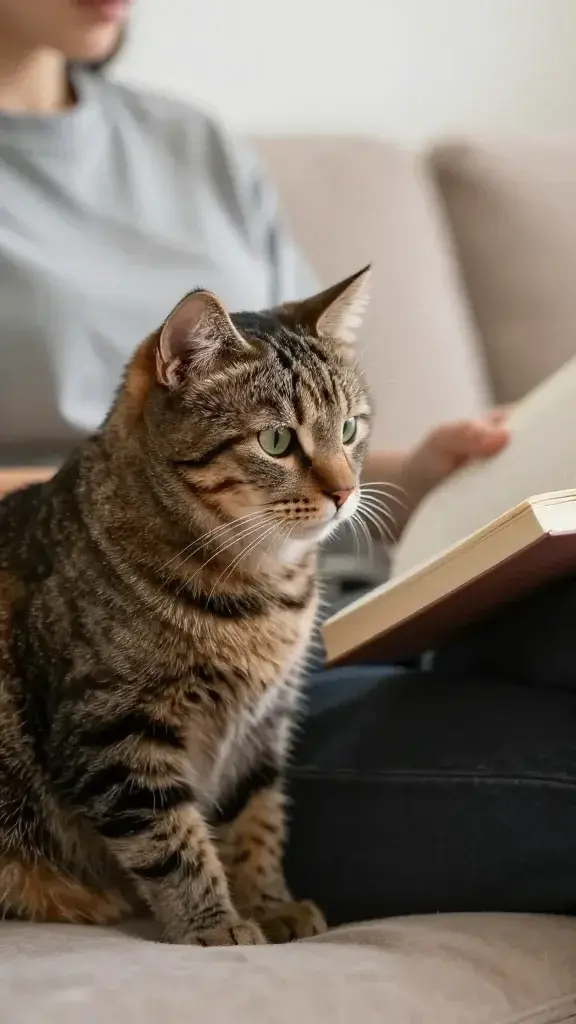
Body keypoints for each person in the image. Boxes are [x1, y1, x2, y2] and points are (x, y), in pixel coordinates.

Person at [2, 0, 575, 927]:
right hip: (125, 612)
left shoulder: (194, 143)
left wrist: (423, 471)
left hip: (326, 583)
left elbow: (293, 403)